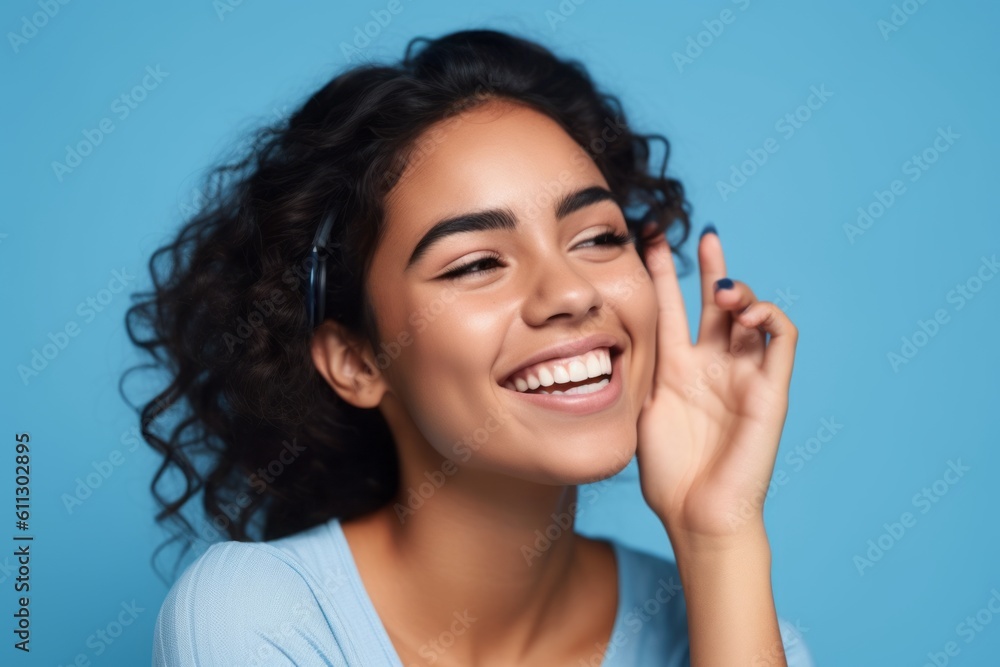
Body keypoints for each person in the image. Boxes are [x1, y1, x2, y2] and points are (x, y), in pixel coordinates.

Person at [129, 27, 814, 666]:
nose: (571, 294)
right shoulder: (256, 616)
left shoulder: (735, 622)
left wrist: (717, 539)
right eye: (476, 263)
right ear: (358, 361)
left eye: (598, 238)